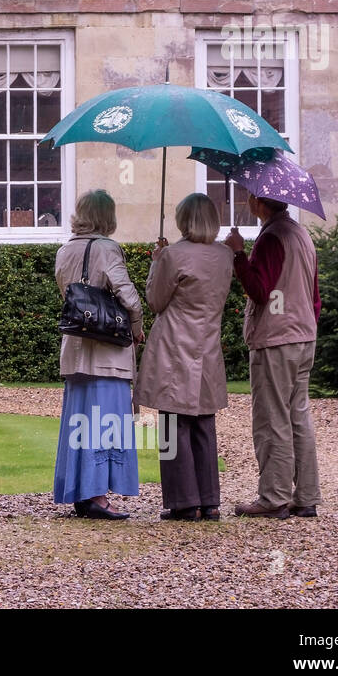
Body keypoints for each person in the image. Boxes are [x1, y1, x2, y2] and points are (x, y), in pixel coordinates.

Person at [135, 193, 234, 522]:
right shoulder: (224, 255)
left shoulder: (174, 255)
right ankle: (210, 500)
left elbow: (155, 300)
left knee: (173, 424)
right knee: (204, 423)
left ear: (184, 220)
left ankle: (183, 502)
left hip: (176, 345)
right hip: (207, 346)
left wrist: (157, 260)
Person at [224, 195, 322, 519]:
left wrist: (238, 254)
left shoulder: (271, 237)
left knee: (271, 418)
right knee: (298, 416)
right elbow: (314, 296)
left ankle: (273, 497)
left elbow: (259, 290)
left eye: (250, 195)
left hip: (277, 339)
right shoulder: (301, 234)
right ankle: (306, 496)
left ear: (258, 201)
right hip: (303, 335)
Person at [53, 189, 146, 520]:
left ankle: (81, 492)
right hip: (106, 351)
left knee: (80, 421)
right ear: (108, 216)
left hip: (76, 349)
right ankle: (96, 497)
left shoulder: (64, 251)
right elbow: (129, 297)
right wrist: (136, 327)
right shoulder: (108, 249)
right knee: (105, 422)